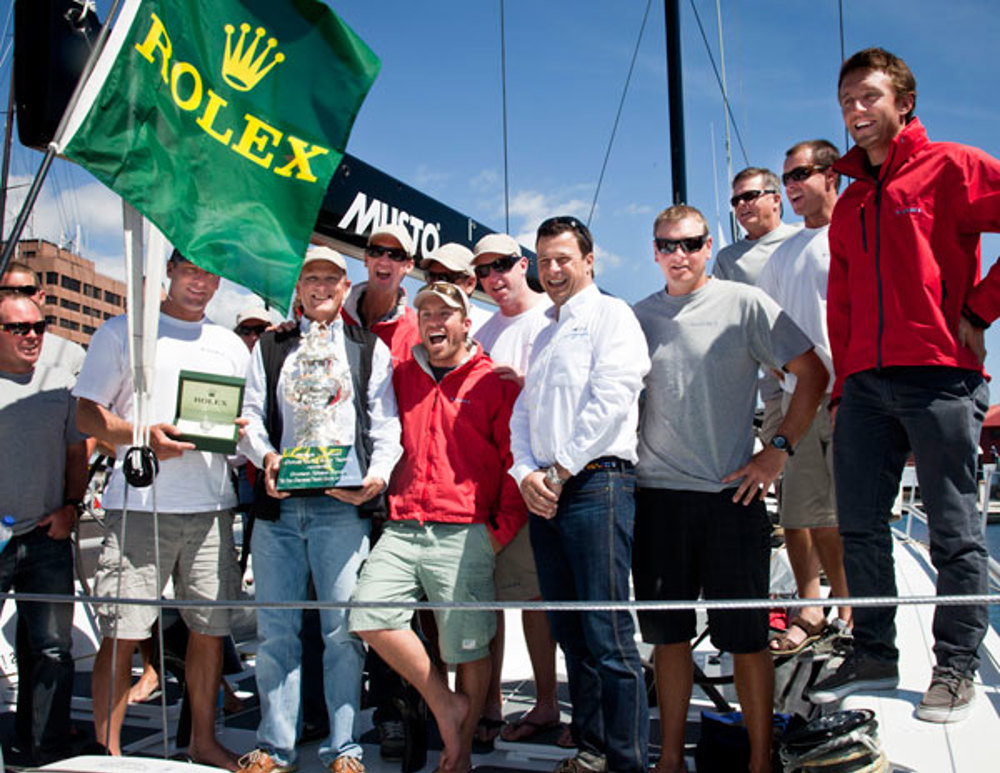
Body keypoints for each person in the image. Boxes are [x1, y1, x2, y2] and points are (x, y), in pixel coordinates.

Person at [807, 47, 1000, 724]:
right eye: (847, 101)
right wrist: (842, 381)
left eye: (869, 98)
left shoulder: (951, 167)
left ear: (903, 103)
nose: (856, 112)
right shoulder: (851, 201)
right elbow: (844, 302)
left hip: (942, 377)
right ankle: (874, 649)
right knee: (858, 523)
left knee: (953, 529)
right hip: (863, 386)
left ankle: (954, 665)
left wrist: (980, 308)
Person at [632, 205, 827, 773]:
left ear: (709, 243)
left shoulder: (747, 304)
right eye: (667, 245)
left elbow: (811, 372)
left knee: (746, 641)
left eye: (691, 244)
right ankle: (670, 760)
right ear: (654, 250)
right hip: (657, 501)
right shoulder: (637, 317)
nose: (680, 255)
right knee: (667, 641)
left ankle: (760, 762)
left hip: (731, 499)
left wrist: (777, 451)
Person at [74, 250, 249, 769]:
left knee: (209, 631)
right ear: (169, 272)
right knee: (123, 630)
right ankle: (107, 750)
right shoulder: (121, 333)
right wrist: (141, 435)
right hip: (140, 507)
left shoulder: (231, 346)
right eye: (191, 270)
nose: (200, 282)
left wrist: (241, 437)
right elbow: (87, 414)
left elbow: (242, 435)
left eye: (210, 272)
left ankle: (203, 740)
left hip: (213, 505)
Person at [350, 281, 526, 773]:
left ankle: (461, 752)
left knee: (467, 647)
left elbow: (515, 462)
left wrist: (498, 533)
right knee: (367, 613)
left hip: (467, 530)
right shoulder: (401, 372)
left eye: (445, 314)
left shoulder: (495, 382)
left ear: (466, 323)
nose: (433, 322)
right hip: (404, 525)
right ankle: (443, 702)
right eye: (425, 312)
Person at [237, 245, 401, 773]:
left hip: (340, 508)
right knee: (277, 631)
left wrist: (376, 478)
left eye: (332, 278)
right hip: (279, 510)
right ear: (298, 287)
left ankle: (344, 747)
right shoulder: (269, 345)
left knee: (341, 633)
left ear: (343, 284)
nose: (322, 287)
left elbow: (386, 425)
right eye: (312, 278)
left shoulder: (368, 347)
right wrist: (265, 457)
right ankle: (275, 745)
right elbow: (249, 420)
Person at [509, 216, 650, 773]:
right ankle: (591, 752)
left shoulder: (613, 316)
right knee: (570, 631)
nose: (554, 269)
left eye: (564, 258)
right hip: (547, 489)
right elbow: (525, 413)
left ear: (590, 260)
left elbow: (613, 396)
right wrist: (525, 473)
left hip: (597, 484)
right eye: (544, 260)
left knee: (609, 635)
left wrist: (560, 470)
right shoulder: (544, 332)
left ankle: (627, 762)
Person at [758, 139, 851, 653]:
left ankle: (851, 607)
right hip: (799, 398)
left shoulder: (853, 235)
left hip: (852, 395)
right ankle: (810, 607)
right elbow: (771, 323)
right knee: (797, 512)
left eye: (800, 175)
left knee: (841, 514)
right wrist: (779, 366)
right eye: (787, 177)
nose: (791, 186)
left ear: (831, 175)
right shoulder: (785, 250)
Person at [468, 233, 560, 746]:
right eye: (483, 270)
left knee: (537, 599)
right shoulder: (479, 330)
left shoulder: (552, 316)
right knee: (489, 600)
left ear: (522, 264)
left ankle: (548, 704)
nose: (494, 277)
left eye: (502, 265)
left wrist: (523, 383)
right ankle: (490, 705)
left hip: (541, 478)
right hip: (489, 484)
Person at [0, 295, 86, 765]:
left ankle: (47, 754)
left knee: (54, 650)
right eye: (19, 328)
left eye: (40, 326)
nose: (32, 336)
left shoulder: (60, 386)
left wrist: (72, 507)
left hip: (46, 536)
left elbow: (77, 454)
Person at [341, 224, 421, 367]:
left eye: (396, 255)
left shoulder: (417, 333)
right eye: (376, 252)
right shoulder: (335, 313)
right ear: (366, 259)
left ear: (409, 265)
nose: (384, 261)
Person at [712, 168, 800, 285]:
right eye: (735, 201)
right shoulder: (726, 259)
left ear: (775, 200)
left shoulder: (804, 237)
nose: (741, 204)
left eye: (749, 196)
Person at [1, 261, 86, 375]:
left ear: (41, 297)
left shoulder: (71, 353)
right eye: (7, 291)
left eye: (26, 291)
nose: (18, 297)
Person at [421, 242, 492, 334]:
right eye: (431, 276)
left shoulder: (488, 327)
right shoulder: (418, 325)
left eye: (444, 278)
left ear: (470, 284)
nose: (436, 285)